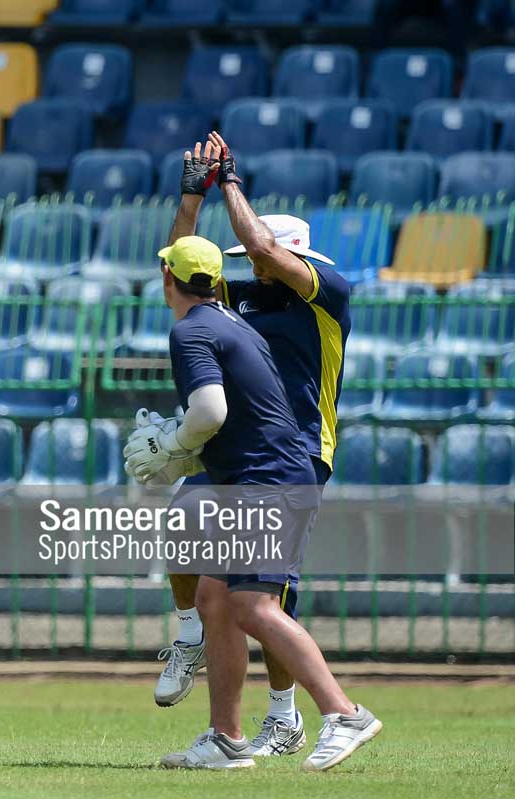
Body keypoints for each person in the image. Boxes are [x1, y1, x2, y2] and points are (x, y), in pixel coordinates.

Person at [123, 237, 379, 771]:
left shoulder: (193, 329)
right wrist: (187, 455)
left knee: (254, 607)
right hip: (259, 472)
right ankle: (227, 739)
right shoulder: (233, 322)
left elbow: (213, 411)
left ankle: (343, 713)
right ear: (216, 280)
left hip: (267, 479)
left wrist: (172, 446)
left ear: (168, 279)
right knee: (218, 601)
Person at [151, 132, 352, 759]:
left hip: (297, 455)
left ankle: (289, 712)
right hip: (243, 454)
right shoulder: (243, 302)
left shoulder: (327, 291)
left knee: (263, 599)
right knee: (198, 555)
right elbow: (185, 267)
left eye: (259, 255)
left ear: (294, 255)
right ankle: (208, 682)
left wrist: (231, 181)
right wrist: (192, 195)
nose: (250, 263)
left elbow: (263, 246)